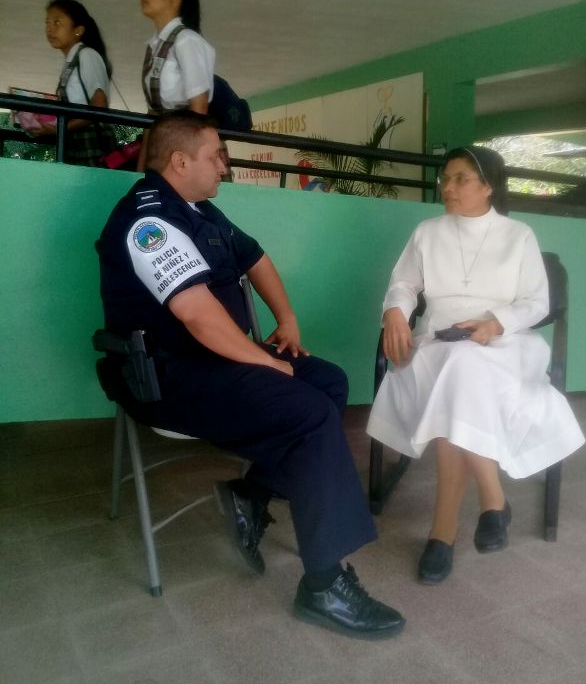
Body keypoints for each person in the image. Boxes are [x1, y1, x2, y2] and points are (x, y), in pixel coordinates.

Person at [97, 110, 405, 639]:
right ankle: (324, 586)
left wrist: (286, 320)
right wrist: (264, 361)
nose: (225, 165)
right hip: (166, 376)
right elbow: (197, 314)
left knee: (329, 382)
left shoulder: (200, 211)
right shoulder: (148, 222)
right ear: (180, 161)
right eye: (216, 155)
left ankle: (253, 494)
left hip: (215, 361)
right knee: (309, 413)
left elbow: (255, 258)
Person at [367, 146, 585, 585]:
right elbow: (404, 283)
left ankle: (443, 532)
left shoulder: (518, 235)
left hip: (506, 344)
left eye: (460, 179)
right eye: (445, 179)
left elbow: (536, 303)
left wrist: (495, 323)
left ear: (488, 186)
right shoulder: (428, 232)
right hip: (441, 341)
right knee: (459, 370)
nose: (447, 187)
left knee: (462, 372)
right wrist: (394, 312)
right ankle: (492, 498)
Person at [137, 0, 215, 170]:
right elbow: (153, 113)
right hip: (162, 142)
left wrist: (191, 161)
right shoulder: (154, 46)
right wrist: (141, 167)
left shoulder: (186, 40)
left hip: (184, 145)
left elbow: (199, 107)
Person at [33, 0, 116, 166]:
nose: (50, 29)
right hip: (76, 144)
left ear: (78, 30)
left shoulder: (87, 55)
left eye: (57, 22)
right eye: (47, 23)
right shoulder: (71, 61)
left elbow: (99, 106)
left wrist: (60, 128)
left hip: (91, 144)